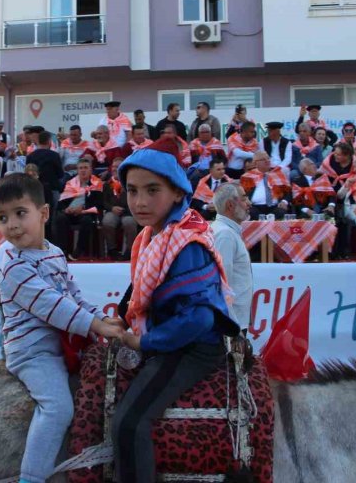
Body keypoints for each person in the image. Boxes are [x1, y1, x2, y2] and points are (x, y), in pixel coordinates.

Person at [112, 137, 239, 483]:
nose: (140, 202)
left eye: (152, 190)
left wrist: (144, 343)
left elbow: (198, 318)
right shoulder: (156, 234)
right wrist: (121, 319)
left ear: (178, 193)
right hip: (174, 337)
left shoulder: (186, 243)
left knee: (128, 423)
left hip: (192, 348)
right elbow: (141, 291)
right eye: (132, 191)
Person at [0, 172, 123, 483]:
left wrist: (101, 318)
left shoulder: (54, 253)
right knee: (58, 408)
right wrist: (95, 325)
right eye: (2, 217)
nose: (12, 225)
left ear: (44, 213)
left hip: (60, 345)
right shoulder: (11, 264)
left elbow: (72, 296)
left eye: (20, 213)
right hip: (33, 352)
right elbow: (52, 305)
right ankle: (31, 478)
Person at [211, 183, 253, 332]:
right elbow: (222, 285)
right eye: (244, 198)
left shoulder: (226, 231)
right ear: (230, 205)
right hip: (232, 323)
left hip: (234, 320)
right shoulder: (225, 235)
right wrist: (233, 327)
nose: (249, 203)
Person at [54, 158, 103, 259]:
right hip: (71, 212)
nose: (83, 170)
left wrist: (83, 209)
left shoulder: (96, 183)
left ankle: (79, 251)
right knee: (60, 218)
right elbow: (61, 202)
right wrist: (66, 209)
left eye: (85, 168)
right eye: (80, 168)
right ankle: (63, 251)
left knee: (87, 221)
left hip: (87, 213)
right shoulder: (70, 183)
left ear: (91, 170)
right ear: (77, 170)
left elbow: (98, 203)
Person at [101, 157, 136, 260]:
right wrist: (112, 208)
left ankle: (130, 250)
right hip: (112, 211)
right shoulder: (106, 184)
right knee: (107, 221)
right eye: (113, 167)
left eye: (118, 166)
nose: (114, 169)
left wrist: (125, 209)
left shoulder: (130, 183)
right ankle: (112, 250)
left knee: (129, 223)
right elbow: (103, 202)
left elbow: (135, 199)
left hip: (128, 212)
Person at [241, 151, 291, 220]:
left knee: (281, 211)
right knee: (250, 212)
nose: (267, 161)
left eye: (268, 158)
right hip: (255, 208)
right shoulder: (247, 177)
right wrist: (246, 202)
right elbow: (242, 194)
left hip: (275, 207)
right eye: (263, 159)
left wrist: (284, 201)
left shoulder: (277, 174)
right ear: (255, 163)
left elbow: (289, 192)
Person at [27, 131, 65, 209]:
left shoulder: (31, 156)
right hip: (52, 189)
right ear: (49, 141)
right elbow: (60, 174)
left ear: (38, 141)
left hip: (35, 190)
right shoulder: (54, 155)